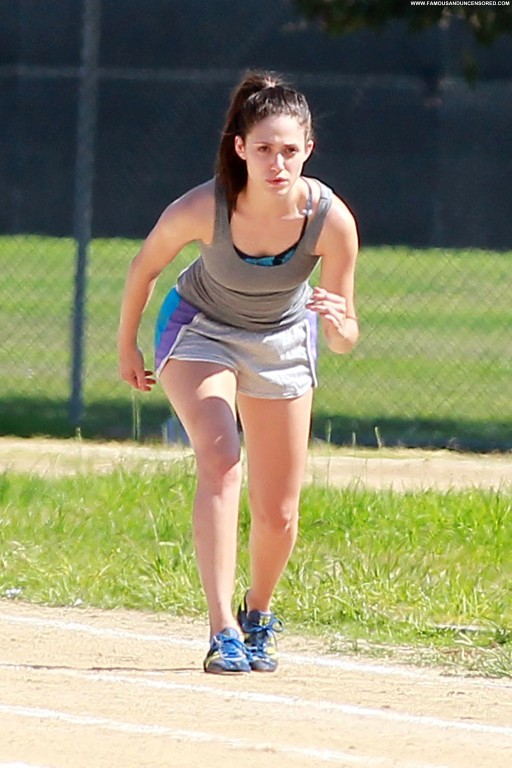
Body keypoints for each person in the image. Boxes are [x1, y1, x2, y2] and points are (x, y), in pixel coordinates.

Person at [118, 70, 359, 675]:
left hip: (282, 337)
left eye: (289, 150)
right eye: (264, 148)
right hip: (201, 327)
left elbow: (345, 334)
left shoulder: (330, 220)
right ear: (240, 148)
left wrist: (337, 325)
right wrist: (127, 346)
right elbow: (144, 267)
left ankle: (258, 615)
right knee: (222, 457)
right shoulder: (205, 207)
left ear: (308, 149)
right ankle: (221, 627)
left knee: (279, 512)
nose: (278, 163)